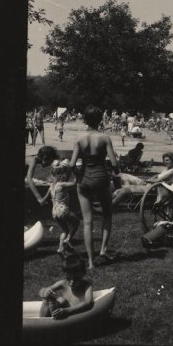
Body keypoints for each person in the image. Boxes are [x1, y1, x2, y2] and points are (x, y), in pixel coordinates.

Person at [70, 109, 117, 265]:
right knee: (107, 214)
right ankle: (103, 249)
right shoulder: (104, 138)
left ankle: (90, 261)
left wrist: (78, 175)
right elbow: (114, 163)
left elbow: (72, 164)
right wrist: (115, 171)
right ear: (100, 120)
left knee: (87, 221)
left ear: (85, 120)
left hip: (84, 178)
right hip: (100, 176)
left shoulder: (79, 138)